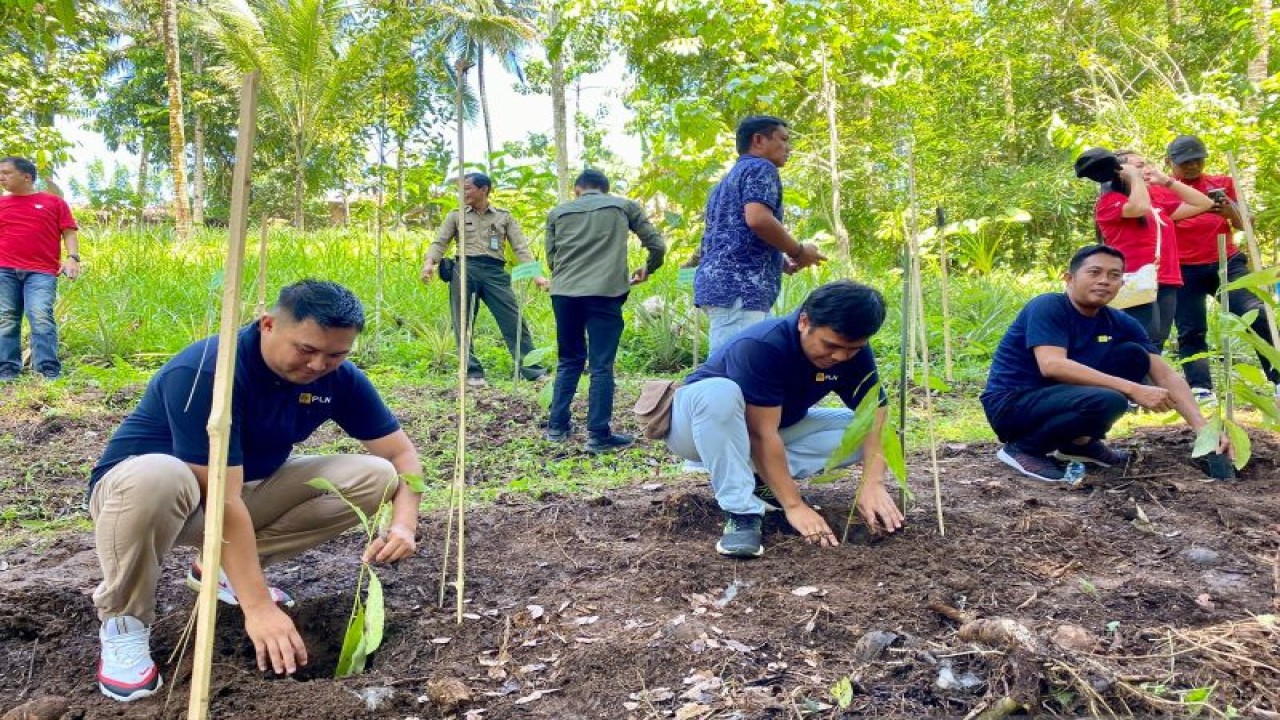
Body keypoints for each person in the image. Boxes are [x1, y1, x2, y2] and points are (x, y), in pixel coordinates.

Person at [88, 280, 424, 702]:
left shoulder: (337, 378)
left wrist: (405, 524)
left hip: (239, 491)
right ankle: (124, 621)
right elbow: (220, 503)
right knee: (162, 474)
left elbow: (401, 455)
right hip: (141, 499)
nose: (319, 365)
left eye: (336, 354)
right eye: (306, 349)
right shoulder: (210, 371)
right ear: (267, 324)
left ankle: (222, 571)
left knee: (374, 475)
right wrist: (259, 606)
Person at [664, 280, 905, 558]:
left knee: (878, 432)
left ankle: (758, 479)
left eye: (851, 349)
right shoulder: (762, 346)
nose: (839, 356)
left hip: (769, 429)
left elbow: (874, 416)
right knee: (721, 391)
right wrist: (794, 506)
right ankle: (741, 512)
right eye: (830, 345)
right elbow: (760, 434)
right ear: (804, 321)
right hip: (694, 429)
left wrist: (872, 483)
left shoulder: (854, 354)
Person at [982, 245, 1223, 482]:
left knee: (1133, 355)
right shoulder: (1048, 306)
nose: (1104, 281)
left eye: (1114, 275)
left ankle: (1079, 444)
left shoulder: (1120, 321)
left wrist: (1203, 429)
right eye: (1094, 272)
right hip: (1012, 404)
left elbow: (1166, 375)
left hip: (1060, 397)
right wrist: (1133, 388)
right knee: (1109, 399)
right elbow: (1052, 365)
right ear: (1069, 278)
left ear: (1122, 284)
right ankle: (1025, 449)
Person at [544, 169, 665, 453]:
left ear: (577, 190)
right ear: (605, 189)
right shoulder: (623, 206)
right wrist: (649, 268)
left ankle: (557, 427)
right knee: (601, 365)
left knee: (569, 359)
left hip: (564, 293)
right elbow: (657, 245)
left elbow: (552, 258)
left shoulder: (558, 213)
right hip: (604, 293)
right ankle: (598, 434)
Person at [694, 116, 825, 350]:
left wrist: (780, 262)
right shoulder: (760, 167)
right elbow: (758, 219)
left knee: (745, 363)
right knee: (734, 371)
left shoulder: (726, 182)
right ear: (758, 140)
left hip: (725, 287)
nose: (788, 148)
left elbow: (731, 235)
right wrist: (798, 251)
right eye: (783, 139)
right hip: (741, 290)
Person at [1165, 134, 1280, 399]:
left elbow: (1245, 224)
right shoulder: (1164, 188)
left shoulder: (1222, 183)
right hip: (1183, 267)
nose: (1192, 166)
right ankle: (1201, 387)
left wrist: (1230, 212)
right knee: (1191, 328)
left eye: (1197, 161)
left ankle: (1277, 377)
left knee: (1255, 313)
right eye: (1185, 163)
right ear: (1170, 162)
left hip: (1226, 261)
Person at [422, 172, 550, 387]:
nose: (464, 193)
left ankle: (532, 370)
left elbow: (521, 247)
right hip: (464, 269)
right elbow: (440, 242)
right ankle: (472, 373)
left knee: (513, 320)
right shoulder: (456, 215)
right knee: (463, 322)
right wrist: (429, 264)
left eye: (468, 188)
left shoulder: (504, 217)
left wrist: (537, 275)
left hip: (495, 272)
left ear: (484, 189)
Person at [1079, 147, 1212, 352]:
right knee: (1140, 341)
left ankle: (1148, 383)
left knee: (1157, 342)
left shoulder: (1156, 203)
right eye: (1139, 166)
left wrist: (1167, 181)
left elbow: (1204, 203)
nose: (1147, 170)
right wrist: (1134, 177)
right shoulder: (1109, 202)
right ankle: (1130, 383)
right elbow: (1139, 208)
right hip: (1135, 279)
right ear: (1120, 171)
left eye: (1146, 164)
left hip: (1166, 278)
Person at [0, 156, 81, 380]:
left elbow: (69, 231)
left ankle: (47, 370)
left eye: (6, 173)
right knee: (6, 317)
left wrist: (72, 258)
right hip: (4, 269)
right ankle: (7, 370)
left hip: (41, 271)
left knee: (40, 316)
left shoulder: (53, 203)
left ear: (26, 177)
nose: (1, 178)